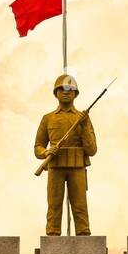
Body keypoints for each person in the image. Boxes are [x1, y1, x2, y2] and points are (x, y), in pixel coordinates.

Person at [35, 74, 97, 236]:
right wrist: (46, 152)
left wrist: (83, 126)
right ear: (55, 93)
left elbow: (92, 150)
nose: (66, 92)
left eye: (70, 89)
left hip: (77, 166)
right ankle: (53, 234)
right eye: (61, 89)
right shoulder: (48, 119)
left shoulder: (82, 118)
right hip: (55, 165)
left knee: (80, 205)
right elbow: (38, 147)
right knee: (54, 205)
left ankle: (83, 234)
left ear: (76, 93)